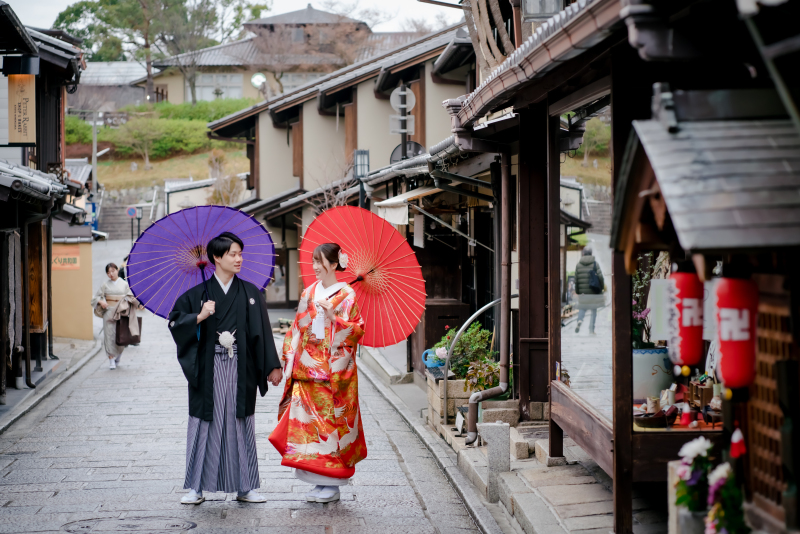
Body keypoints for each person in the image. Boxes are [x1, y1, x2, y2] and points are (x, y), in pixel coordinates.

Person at [168, 232, 283, 505]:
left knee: (240, 423)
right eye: (233, 254)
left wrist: (272, 365)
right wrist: (199, 316)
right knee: (204, 423)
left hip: (240, 367)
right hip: (208, 368)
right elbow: (175, 322)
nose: (239, 259)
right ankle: (196, 487)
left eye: (240, 254)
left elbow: (262, 332)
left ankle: (246, 486)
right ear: (216, 258)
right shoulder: (197, 295)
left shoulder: (250, 293)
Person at [269, 242, 367, 504]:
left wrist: (336, 318)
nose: (314, 267)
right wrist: (287, 359)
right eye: (313, 261)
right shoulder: (309, 291)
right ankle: (316, 480)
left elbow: (357, 331)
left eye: (319, 262)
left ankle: (332, 484)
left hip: (332, 376)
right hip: (306, 371)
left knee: (331, 431)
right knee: (307, 430)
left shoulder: (347, 295)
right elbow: (296, 329)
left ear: (334, 264)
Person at [91, 263, 136, 369]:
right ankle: (111, 359)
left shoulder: (125, 284)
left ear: (117, 270)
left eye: (113, 271)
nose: (111, 274)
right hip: (109, 312)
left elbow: (131, 297)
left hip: (121, 312)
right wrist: (101, 302)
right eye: (108, 272)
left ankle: (118, 355)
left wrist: (127, 300)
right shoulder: (104, 285)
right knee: (109, 336)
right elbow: (95, 298)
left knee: (120, 335)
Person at [574, 246, 605, 335]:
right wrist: (601, 288)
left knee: (582, 309)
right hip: (594, 292)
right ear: (591, 254)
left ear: (583, 254)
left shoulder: (578, 265)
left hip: (583, 293)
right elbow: (600, 277)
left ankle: (579, 320)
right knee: (593, 311)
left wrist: (578, 292)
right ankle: (591, 330)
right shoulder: (595, 264)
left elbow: (576, 280)